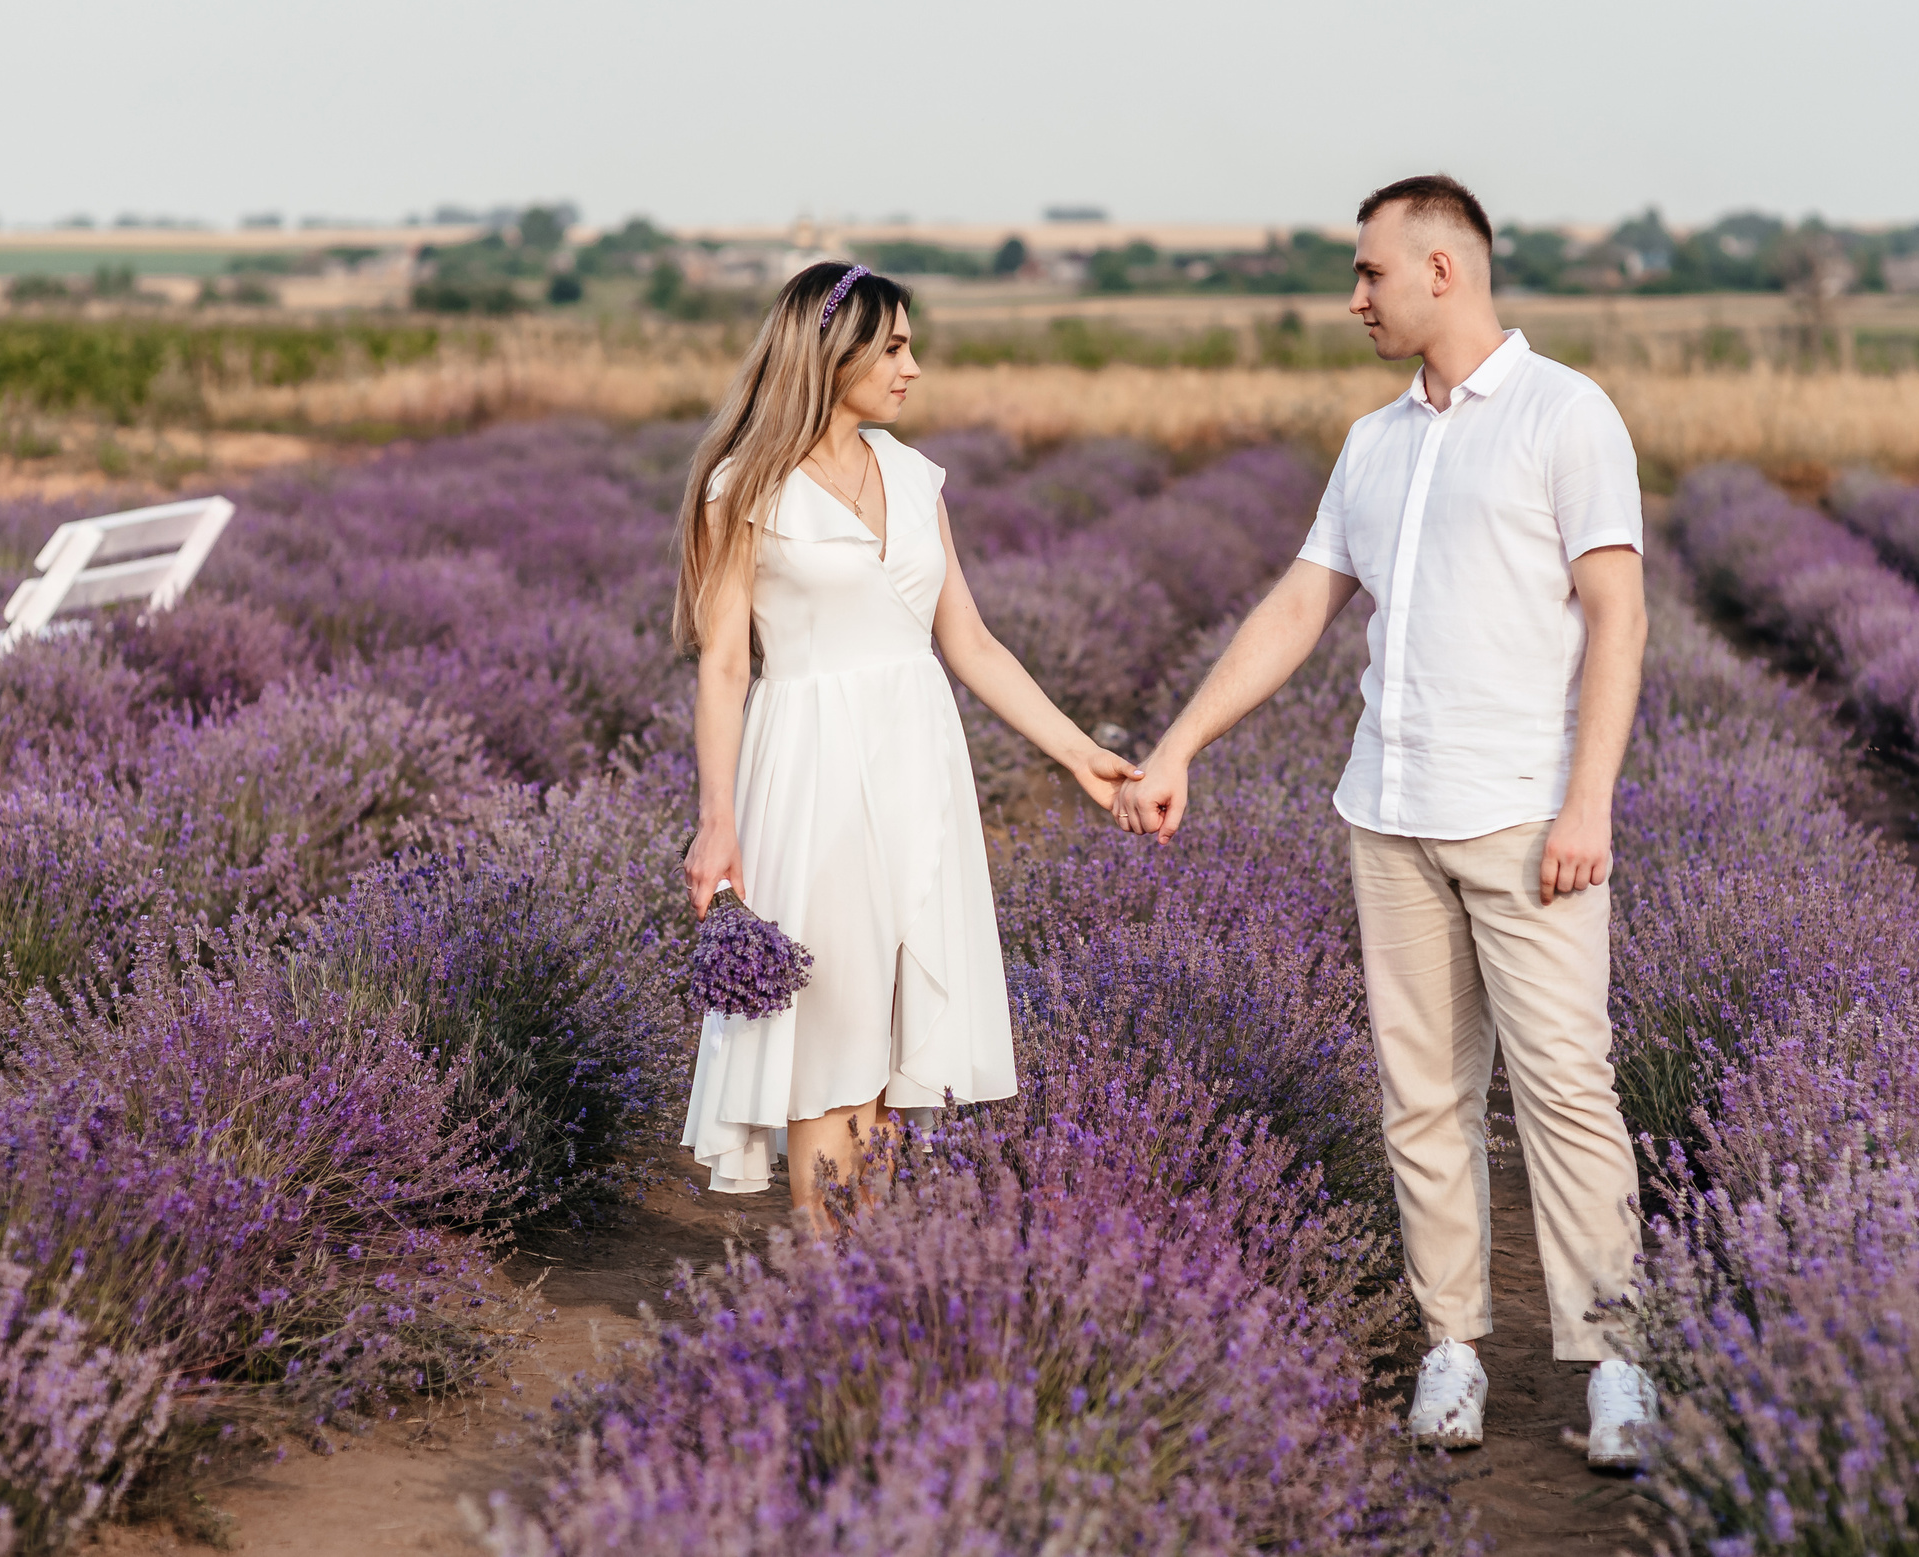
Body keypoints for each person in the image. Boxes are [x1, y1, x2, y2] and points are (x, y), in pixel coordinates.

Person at [1111, 175, 1658, 1470]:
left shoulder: (1565, 414)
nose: (1353, 297)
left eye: (1369, 273)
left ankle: (1617, 1362)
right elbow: (1298, 609)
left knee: (1568, 1089)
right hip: (1390, 811)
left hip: (1527, 815)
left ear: (1442, 270)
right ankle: (1453, 1347)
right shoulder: (1374, 443)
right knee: (1423, 1099)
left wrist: (1591, 799)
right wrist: (1180, 743)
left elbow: (1620, 617)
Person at [674, 261, 1141, 1226]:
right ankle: (824, 1279)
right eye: (893, 346)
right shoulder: (743, 488)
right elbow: (723, 665)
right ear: (829, 353)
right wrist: (716, 820)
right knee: (827, 1031)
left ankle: (864, 1267)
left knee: (889, 1037)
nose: (913, 368)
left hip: (918, 764)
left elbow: (968, 641)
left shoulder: (916, 475)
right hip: (807, 768)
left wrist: (1077, 752)